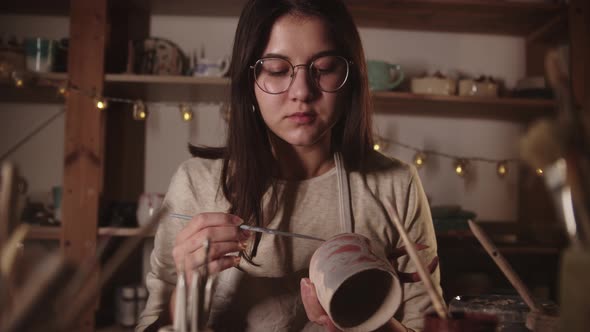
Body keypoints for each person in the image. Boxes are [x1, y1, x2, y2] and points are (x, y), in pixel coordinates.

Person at [137, 0, 441, 331]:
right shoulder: (196, 184)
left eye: (323, 68)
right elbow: (150, 325)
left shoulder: (396, 185)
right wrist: (187, 287)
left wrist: (367, 317)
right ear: (249, 81)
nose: (302, 91)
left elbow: (428, 324)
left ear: (351, 76)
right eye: (278, 70)